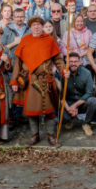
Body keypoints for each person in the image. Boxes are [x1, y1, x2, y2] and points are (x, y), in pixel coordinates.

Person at [10, 16, 65, 147]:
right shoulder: (25, 40)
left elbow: (57, 59)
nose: (36, 27)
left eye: (38, 24)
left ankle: (51, 136)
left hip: (46, 79)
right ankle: (35, 136)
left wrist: (63, 70)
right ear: (30, 27)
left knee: (49, 110)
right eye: (33, 24)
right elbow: (18, 63)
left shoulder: (49, 40)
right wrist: (14, 81)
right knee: (31, 110)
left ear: (42, 26)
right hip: (29, 80)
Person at [61, 52, 96, 136]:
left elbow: (89, 92)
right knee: (64, 117)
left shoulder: (86, 73)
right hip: (69, 103)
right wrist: (69, 108)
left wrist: (76, 105)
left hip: (82, 102)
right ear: (67, 62)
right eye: (71, 61)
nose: (73, 64)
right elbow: (60, 96)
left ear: (79, 62)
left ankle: (86, 124)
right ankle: (70, 120)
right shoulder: (62, 74)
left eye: (75, 61)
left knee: (93, 100)